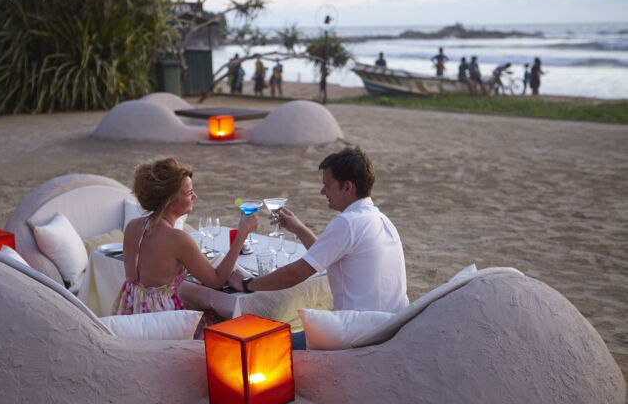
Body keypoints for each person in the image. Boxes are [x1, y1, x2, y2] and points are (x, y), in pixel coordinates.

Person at [228, 147, 410, 349]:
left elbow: (294, 274)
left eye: (327, 185)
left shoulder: (348, 222)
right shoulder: (380, 219)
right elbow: (326, 257)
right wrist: (299, 229)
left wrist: (248, 284)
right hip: (391, 327)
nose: (322, 192)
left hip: (360, 334)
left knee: (260, 346)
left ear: (347, 187)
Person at [112, 158, 258, 338]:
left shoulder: (133, 226)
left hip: (131, 317)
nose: (194, 196)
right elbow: (217, 280)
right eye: (189, 192)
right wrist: (242, 234)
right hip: (161, 326)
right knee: (226, 326)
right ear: (170, 200)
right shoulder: (178, 239)